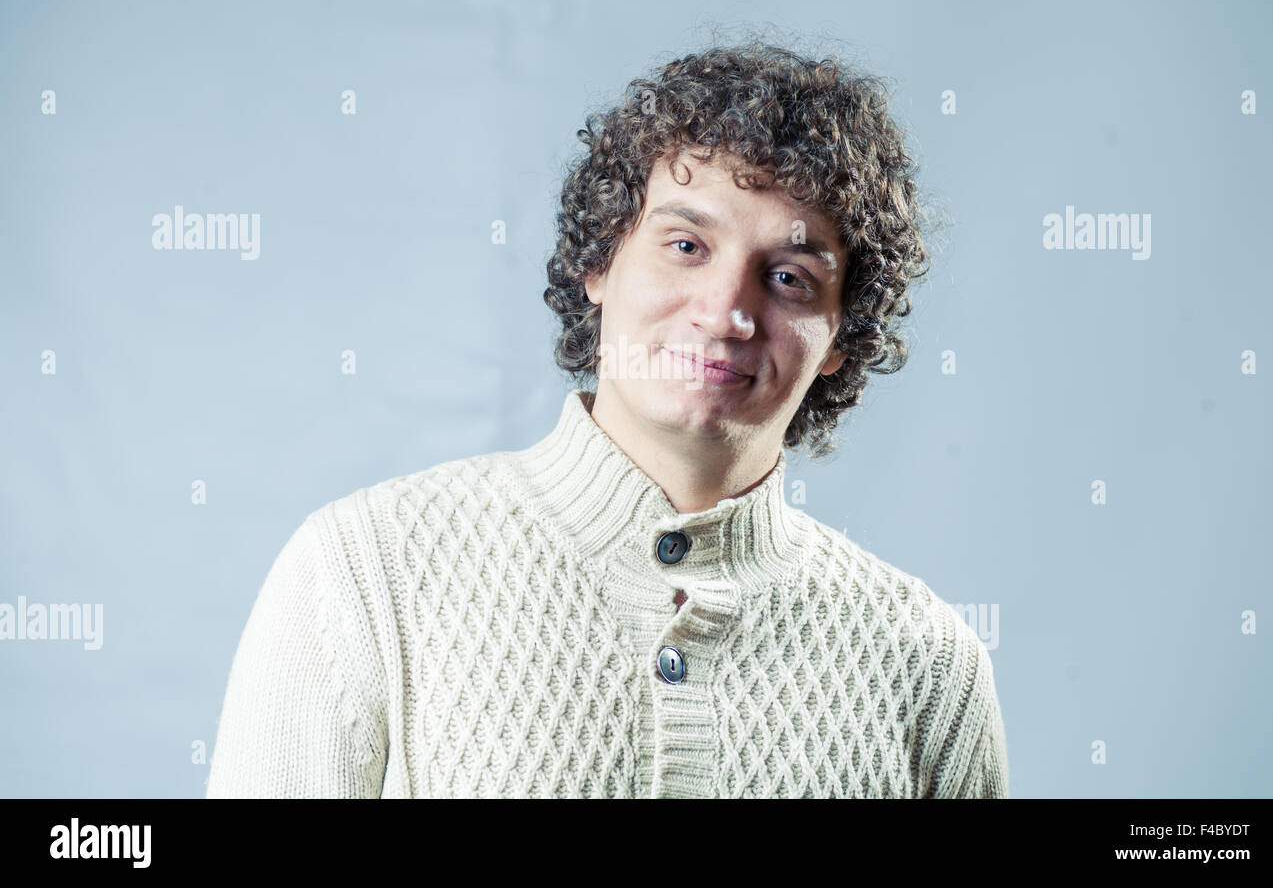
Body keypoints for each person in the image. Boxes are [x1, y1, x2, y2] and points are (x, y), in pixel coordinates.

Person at [206, 39, 1009, 798]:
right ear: (599, 261)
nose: (726, 311)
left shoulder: (930, 664)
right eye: (687, 245)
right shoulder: (363, 569)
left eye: (790, 277)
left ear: (840, 339)